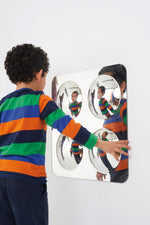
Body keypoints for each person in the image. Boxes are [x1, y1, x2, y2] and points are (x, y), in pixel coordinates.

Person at [0, 44, 130, 225]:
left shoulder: (3, 104)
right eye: (45, 76)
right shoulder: (40, 101)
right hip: (27, 181)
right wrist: (101, 144)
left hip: (2, 179)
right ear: (39, 74)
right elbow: (70, 127)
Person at [96, 64, 128, 183]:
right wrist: (102, 167)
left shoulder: (124, 107)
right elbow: (105, 141)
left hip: (123, 171)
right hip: (113, 169)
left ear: (122, 86)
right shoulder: (109, 113)